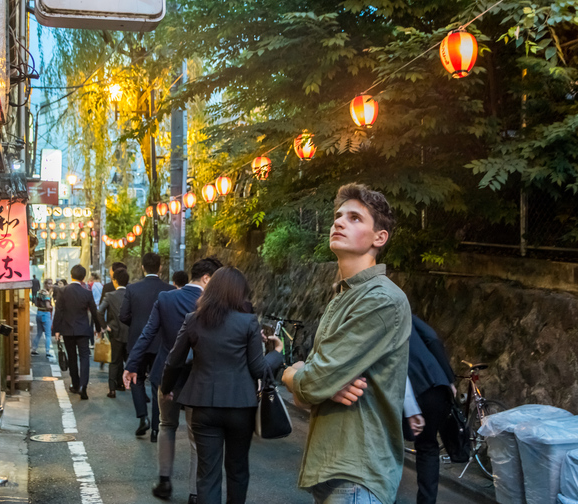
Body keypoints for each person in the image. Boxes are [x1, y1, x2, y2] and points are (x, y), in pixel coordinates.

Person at [281, 183, 411, 504]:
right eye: (338, 216)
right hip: (333, 470)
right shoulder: (343, 297)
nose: (338, 222)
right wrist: (319, 384)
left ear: (379, 238)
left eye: (354, 218)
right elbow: (311, 392)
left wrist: (290, 373)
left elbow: (310, 383)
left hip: (357, 475)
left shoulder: (381, 299)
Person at [161, 266, 284, 504]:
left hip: (203, 406)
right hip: (241, 407)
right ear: (239, 293)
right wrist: (277, 352)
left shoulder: (193, 320)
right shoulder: (248, 322)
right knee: (237, 469)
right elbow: (259, 369)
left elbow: (173, 361)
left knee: (207, 475)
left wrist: (167, 389)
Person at [124, 257, 223, 503]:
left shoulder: (166, 298)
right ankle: (194, 492)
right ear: (207, 278)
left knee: (167, 426)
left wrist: (132, 365)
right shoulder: (214, 305)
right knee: (195, 435)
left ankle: (165, 482)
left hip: (166, 375)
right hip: (198, 378)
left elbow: (147, 334)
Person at [119, 252, 175, 438]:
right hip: (162, 342)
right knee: (157, 382)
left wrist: (136, 326)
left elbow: (123, 316)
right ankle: (157, 427)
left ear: (142, 267)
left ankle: (143, 418)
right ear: (160, 267)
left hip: (138, 341)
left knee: (136, 377)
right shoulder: (169, 289)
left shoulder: (132, 289)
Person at [407, 315, 457, 504]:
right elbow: (431, 336)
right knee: (428, 447)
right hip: (435, 383)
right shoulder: (403, 310)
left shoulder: (373, 311)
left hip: (408, 385)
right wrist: (449, 378)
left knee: (390, 444)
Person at [53, 264, 104, 400]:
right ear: (83, 278)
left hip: (68, 329)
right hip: (83, 330)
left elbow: (59, 311)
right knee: (84, 357)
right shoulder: (87, 293)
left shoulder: (62, 291)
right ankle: (83, 387)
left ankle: (75, 384)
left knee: (72, 358)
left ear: (71, 275)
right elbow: (94, 312)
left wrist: (56, 329)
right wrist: (98, 329)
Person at [99, 268, 130, 397]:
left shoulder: (110, 295)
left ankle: (112, 389)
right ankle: (125, 384)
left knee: (114, 361)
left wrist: (105, 326)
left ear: (115, 281)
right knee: (130, 360)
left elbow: (99, 311)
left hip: (115, 332)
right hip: (130, 332)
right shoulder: (132, 294)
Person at [32, 278, 54, 359]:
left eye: (51, 283)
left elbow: (36, 304)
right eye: (49, 283)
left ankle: (34, 349)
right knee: (48, 334)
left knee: (39, 333)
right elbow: (48, 306)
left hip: (39, 313)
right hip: (45, 314)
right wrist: (51, 307)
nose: (50, 285)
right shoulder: (47, 294)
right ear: (45, 284)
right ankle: (48, 351)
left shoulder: (39, 292)